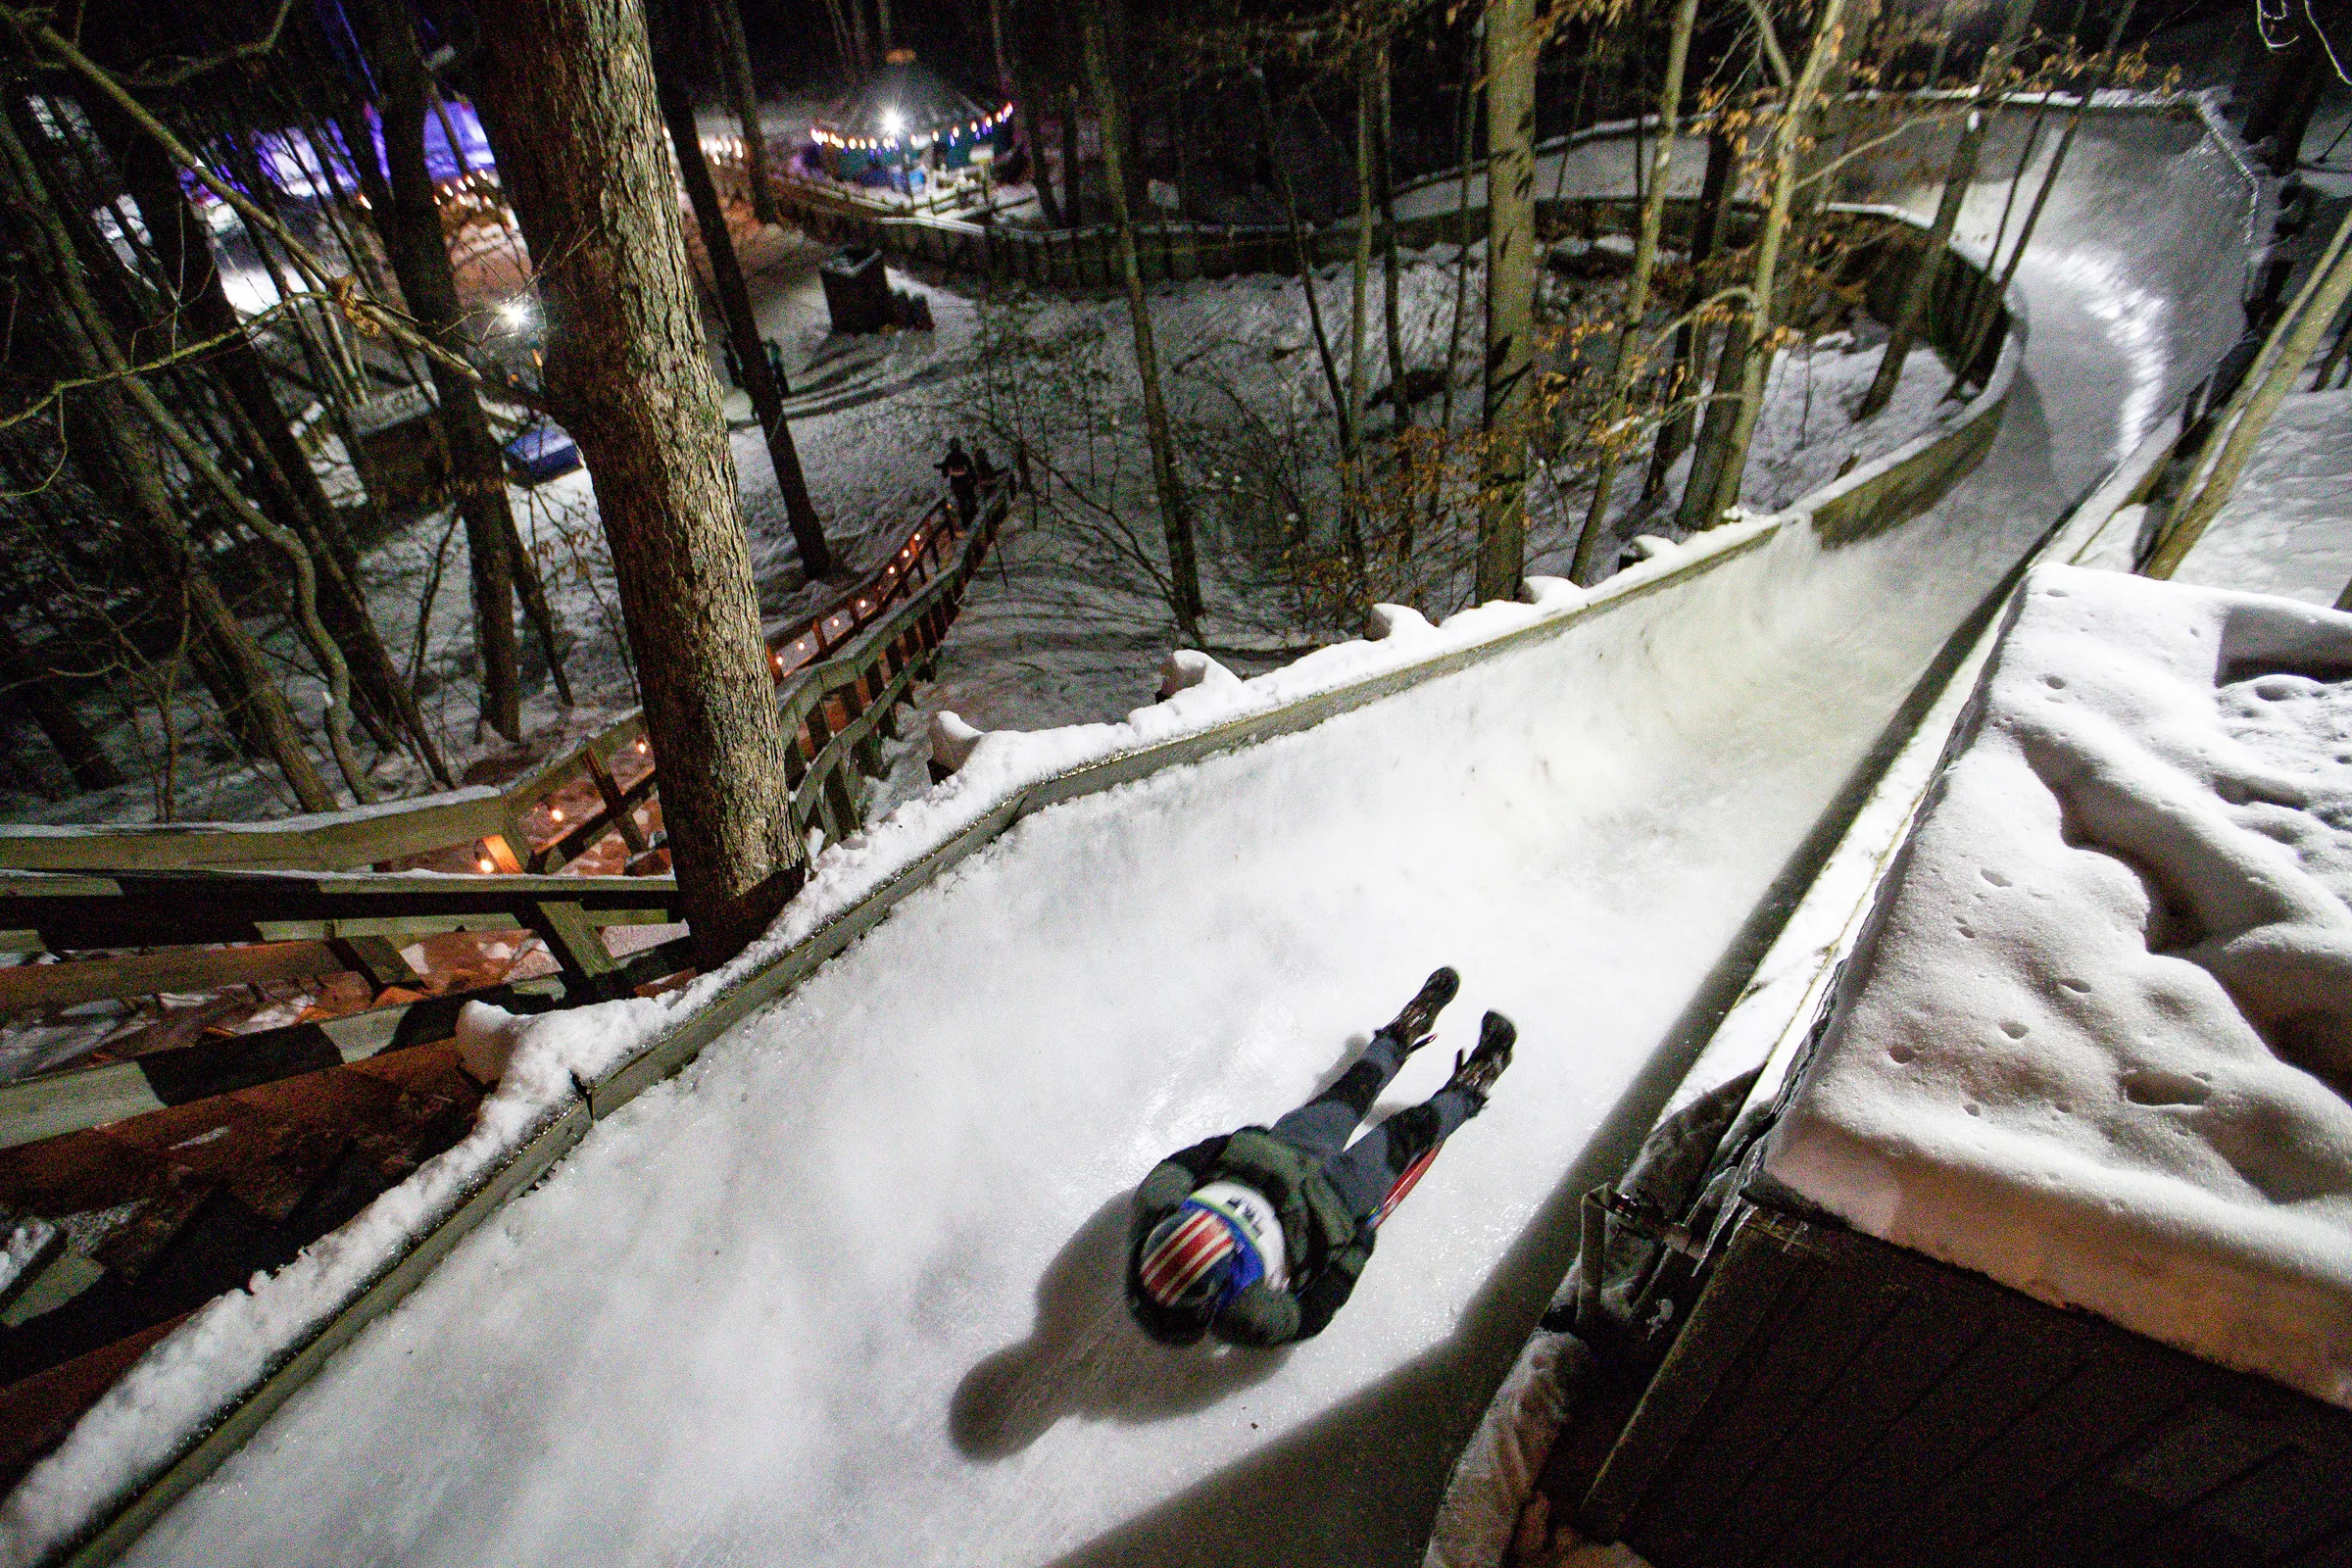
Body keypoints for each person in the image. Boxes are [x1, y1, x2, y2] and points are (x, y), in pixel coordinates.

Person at [1125, 968, 1515, 1348]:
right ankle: (1471, 1080)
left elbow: (1182, 1166)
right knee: (1400, 1127)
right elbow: (1312, 1314)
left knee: (1362, 1096)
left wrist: (1236, 1145)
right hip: (1327, 1202)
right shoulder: (1248, 1316)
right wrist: (1357, 1247)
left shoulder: (1161, 1210)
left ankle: (1414, 1039)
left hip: (1291, 1167)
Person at [939, 437, 980, 523]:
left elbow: (945, 474)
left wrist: (945, 470)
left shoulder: (950, 458)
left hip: (959, 485)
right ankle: (972, 517)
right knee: (969, 500)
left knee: (963, 503)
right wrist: (974, 479)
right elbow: (971, 468)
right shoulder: (962, 456)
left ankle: (967, 519)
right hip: (964, 483)